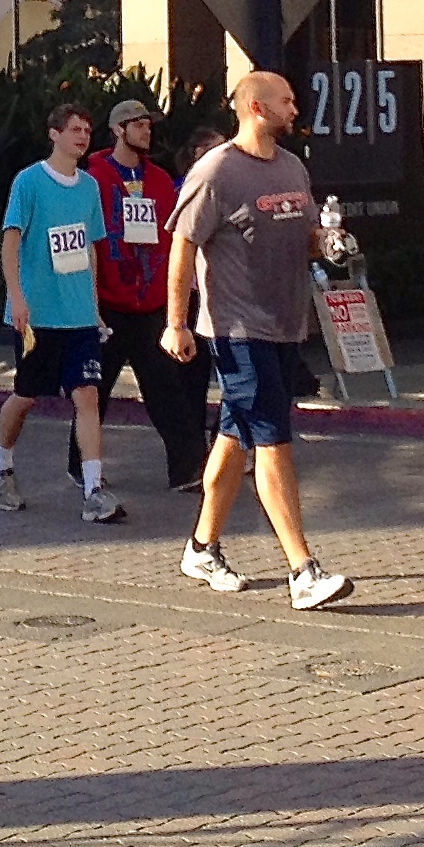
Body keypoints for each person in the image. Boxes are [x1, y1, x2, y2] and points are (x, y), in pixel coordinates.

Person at [164, 71, 353, 611]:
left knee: (235, 433)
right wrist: (176, 323)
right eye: (285, 101)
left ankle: (202, 548)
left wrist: (328, 242)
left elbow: (307, 236)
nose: (295, 109)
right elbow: (183, 245)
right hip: (237, 330)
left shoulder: (292, 167)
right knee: (272, 440)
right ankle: (303, 570)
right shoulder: (217, 170)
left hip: (286, 323)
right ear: (255, 107)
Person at [0, 102, 125, 523]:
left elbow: (89, 248)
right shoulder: (29, 182)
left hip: (79, 316)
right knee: (26, 396)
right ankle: (0, 463)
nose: (82, 137)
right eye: (74, 129)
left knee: (87, 395)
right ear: (54, 134)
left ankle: (94, 489)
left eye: (87, 130)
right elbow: (11, 242)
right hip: (39, 316)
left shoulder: (89, 187)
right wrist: (17, 298)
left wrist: (95, 307)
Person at [72, 97, 206, 492]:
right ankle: (81, 467)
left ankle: (187, 470)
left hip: (150, 303)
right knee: (94, 392)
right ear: (118, 130)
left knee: (167, 388)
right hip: (108, 305)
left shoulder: (161, 181)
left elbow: (175, 237)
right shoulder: (93, 178)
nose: (147, 131)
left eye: (149, 124)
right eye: (139, 125)